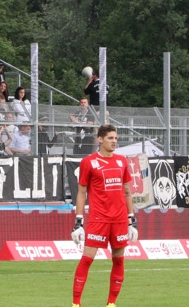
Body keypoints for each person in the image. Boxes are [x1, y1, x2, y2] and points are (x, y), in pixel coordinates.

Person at [70, 124, 137, 307]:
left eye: (115, 138)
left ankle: (111, 303)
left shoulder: (122, 161)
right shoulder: (89, 162)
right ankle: (76, 303)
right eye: (110, 138)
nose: (114, 141)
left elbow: (127, 192)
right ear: (100, 139)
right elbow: (82, 192)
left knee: (119, 259)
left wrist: (132, 220)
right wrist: (78, 221)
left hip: (120, 219)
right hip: (99, 218)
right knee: (87, 258)